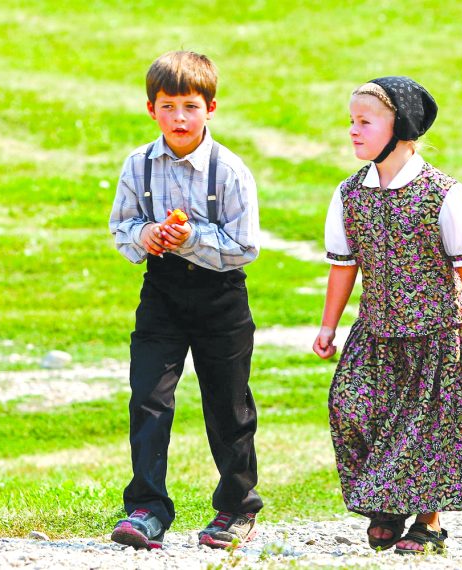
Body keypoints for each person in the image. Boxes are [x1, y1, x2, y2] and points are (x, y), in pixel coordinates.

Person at [313, 76, 462, 555]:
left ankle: (428, 524)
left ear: (401, 127)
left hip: (435, 332)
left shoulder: (443, 193)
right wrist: (328, 325)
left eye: (365, 122)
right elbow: (343, 266)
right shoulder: (349, 193)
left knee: (428, 426)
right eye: (351, 122)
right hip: (375, 330)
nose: (353, 131)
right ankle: (387, 503)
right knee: (350, 408)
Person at [107, 50, 262, 551]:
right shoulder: (138, 166)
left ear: (211, 109)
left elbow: (245, 246)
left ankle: (235, 508)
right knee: (149, 399)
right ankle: (147, 507)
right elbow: (121, 229)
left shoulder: (229, 171)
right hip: (163, 293)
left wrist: (190, 237)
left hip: (221, 298)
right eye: (168, 105)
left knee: (228, 404)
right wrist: (147, 235)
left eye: (190, 106)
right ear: (151, 108)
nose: (179, 117)